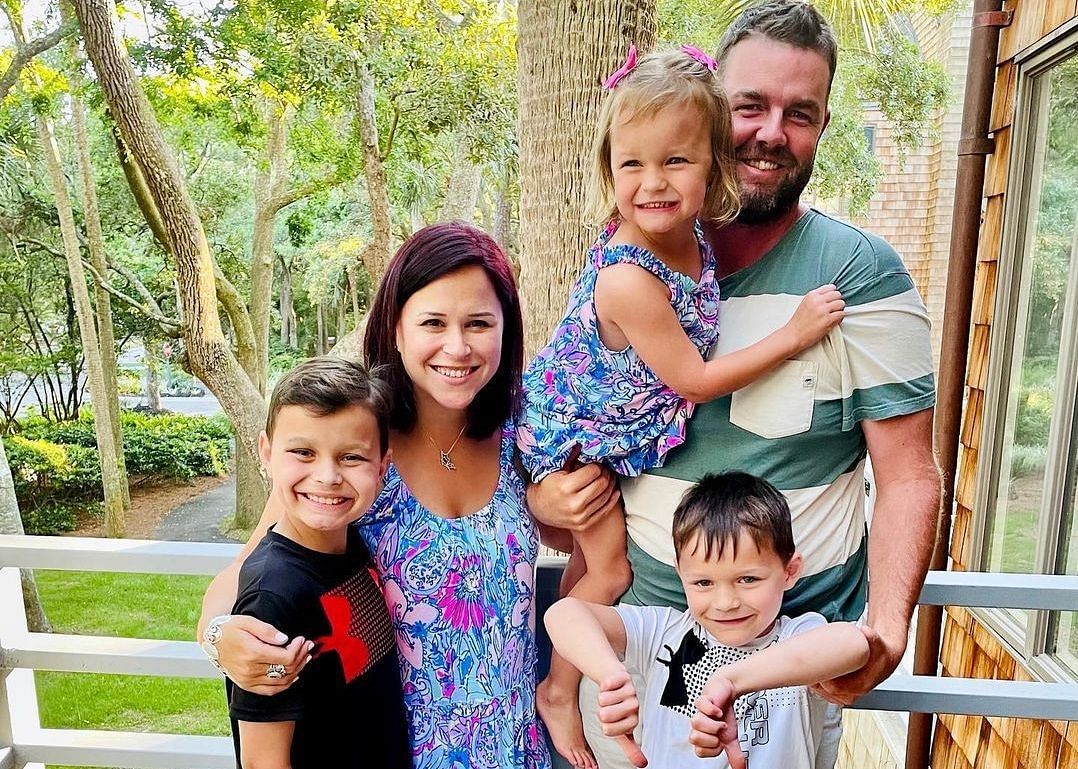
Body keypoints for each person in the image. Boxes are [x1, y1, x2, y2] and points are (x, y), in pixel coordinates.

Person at [529, 3, 941, 768]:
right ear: (715, 110)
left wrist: (884, 630)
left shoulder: (861, 275)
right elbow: (587, 417)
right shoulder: (644, 256)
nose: (770, 132)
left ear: (823, 124)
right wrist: (543, 501)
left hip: (785, 668)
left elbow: (911, 473)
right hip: (632, 658)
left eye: (801, 113)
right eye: (750, 105)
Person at [198, 223, 551, 769]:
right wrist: (222, 638)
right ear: (397, 329)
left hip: (511, 747)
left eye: (479, 323)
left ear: (506, 331)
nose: (456, 346)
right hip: (383, 748)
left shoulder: (521, 434)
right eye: (433, 322)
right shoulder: (354, 447)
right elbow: (248, 571)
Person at [546, 473, 869, 769]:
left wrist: (731, 681)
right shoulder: (663, 633)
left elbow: (853, 644)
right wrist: (610, 675)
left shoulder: (798, 638)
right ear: (680, 573)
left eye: (748, 579)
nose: (726, 603)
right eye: (703, 583)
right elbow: (566, 613)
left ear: (790, 571)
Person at [222, 356, 410, 769]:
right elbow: (262, 762)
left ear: (383, 465)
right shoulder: (273, 596)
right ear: (266, 453)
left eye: (351, 457)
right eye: (303, 452)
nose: (327, 476)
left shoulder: (356, 547)